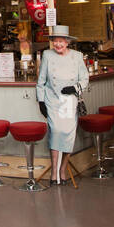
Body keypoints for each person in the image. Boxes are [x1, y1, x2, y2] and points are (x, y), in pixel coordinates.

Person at [35, 24, 88, 187]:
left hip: (68, 100)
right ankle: (54, 174)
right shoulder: (47, 55)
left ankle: (63, 170)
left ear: (67, 42)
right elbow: (41, 81)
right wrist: (41, 101)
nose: (58, 44)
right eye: (55, 41)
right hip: (52, 100)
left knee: (68, 135)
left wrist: (75, 88)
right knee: (56, 132)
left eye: (61, 41)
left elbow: (85, 78)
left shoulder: (77, 56)